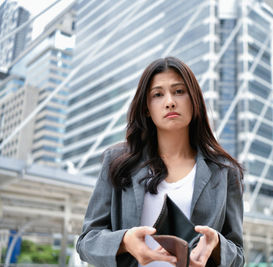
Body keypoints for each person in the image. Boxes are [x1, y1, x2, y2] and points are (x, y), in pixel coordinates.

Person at [76, 57, 245, 267]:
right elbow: (86, 242)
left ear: (194, 99)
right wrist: (125, 241)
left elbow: (238, 255)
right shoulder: (118, 162)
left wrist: (217, 244)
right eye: (158, 94)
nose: (170, 102)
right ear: (146, 107)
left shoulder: (224, 171)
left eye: (179, 91)